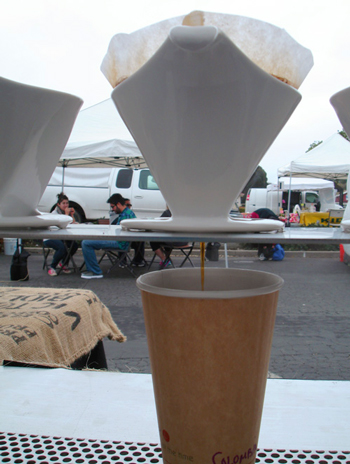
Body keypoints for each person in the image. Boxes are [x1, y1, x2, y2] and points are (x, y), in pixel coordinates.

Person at [81, 194, 136, 279]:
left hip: (119, 242)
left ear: (118, 204)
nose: (112, 209)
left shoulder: (125, 216)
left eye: (113, 207)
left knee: (86, 243)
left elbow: (118, 233)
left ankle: (95, 272)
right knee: (89, 241)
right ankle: (93, 270)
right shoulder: (127, 213)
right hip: (121, 241)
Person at [43, 192, 79, 276]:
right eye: (63, 203)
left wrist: (71, 215)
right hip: (50, 236)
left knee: (74, 245)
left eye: (67, 203)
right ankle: (52, 267)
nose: (66, 205)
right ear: (58, 204)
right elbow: (64, 225)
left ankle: (63, 263)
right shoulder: (55, 214)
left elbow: (71, 223)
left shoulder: (64, 213)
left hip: (61, 236)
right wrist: (67, 215)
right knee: (61, 247)